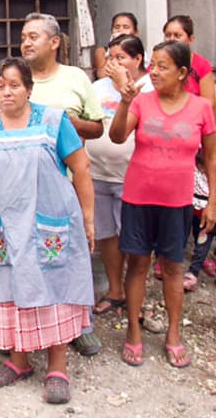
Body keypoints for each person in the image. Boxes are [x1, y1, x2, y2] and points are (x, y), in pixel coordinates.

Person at [0, 57, 95, 404]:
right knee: (9, 289)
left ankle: (57, 369)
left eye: (14, 85)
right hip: (3, 230)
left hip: (49, 226)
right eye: (1, 85)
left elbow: (81, 167)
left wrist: (88, 218)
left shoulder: (54, 122)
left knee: (55, 289)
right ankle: (19, 362)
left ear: (29, 89)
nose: (7, 92)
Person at [0, 12, 104, 357]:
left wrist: (61, 122)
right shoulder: (10, 82)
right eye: (23, 37)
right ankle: (21, 337)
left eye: (33, 36)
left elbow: (97, 128)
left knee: (66, 263)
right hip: (16, 196)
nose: (26, 42)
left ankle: (79, 328)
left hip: (62, 190)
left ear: (55, 42)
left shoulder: (75, 78)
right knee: (23, 266)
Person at [109, 40, 216, 369]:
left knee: (172, 268)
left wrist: (212, 201)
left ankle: (173, 334)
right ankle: (133, 330)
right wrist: (125, 102)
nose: (153, 72)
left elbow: (212, 157)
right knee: (138, 265)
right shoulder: (141, 102)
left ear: (182, 72)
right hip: (138, 198)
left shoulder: (201, 108)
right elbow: (116, 136)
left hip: (177, 202)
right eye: (152, 65)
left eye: (162, 66)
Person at [86, 34, 152, 316]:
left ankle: (137, 296)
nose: (113, 63)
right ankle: (115, 291)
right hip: (98, 172)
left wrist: (125, 85)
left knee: (135, 238)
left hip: (133, 175)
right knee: (107, 235)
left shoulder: (149, 87)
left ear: (138, 59)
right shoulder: (97, 87)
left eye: (121, 58)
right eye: (110, 58)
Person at [184, 152, 216, 291]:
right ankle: (193, 274)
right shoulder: (198, 178)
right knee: (201, 248)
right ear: (201, 167)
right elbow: (194, 198)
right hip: (205, 222)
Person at [162, 15, 216, 109]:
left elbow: (209, 103)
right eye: (168, 35)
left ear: (191, 39)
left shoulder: (201, 65)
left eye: (177, 35)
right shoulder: (157, 64)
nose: (171, 39)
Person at [92, 12, 138, 79]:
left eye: (126, 27)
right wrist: (111, 48)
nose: (120, 30)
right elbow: (102, 75)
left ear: (135, 32)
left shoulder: (139, 52)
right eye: (117, 27)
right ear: (111, 30)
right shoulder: (102, 52)